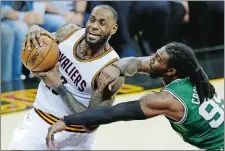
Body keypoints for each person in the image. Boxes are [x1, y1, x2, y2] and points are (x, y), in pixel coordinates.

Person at [47, 42, 224, 150]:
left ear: (171, 71)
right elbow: (137, 62)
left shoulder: (165, 100)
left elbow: (114, 113)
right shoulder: (191, 73)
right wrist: (116, 68)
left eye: (157, 59)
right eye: (156, 54)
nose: (151, 60)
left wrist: (67, 120)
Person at [8, 5, 124, 150]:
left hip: (75, 137)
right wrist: (35, 31)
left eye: (102, 22)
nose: (94, 26)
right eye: (92, 20)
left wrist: (59, 86)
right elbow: (42, 45)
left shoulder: (111, 70)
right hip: (38, 123)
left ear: (113, 29)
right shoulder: (69, 33)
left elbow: (91, 123)